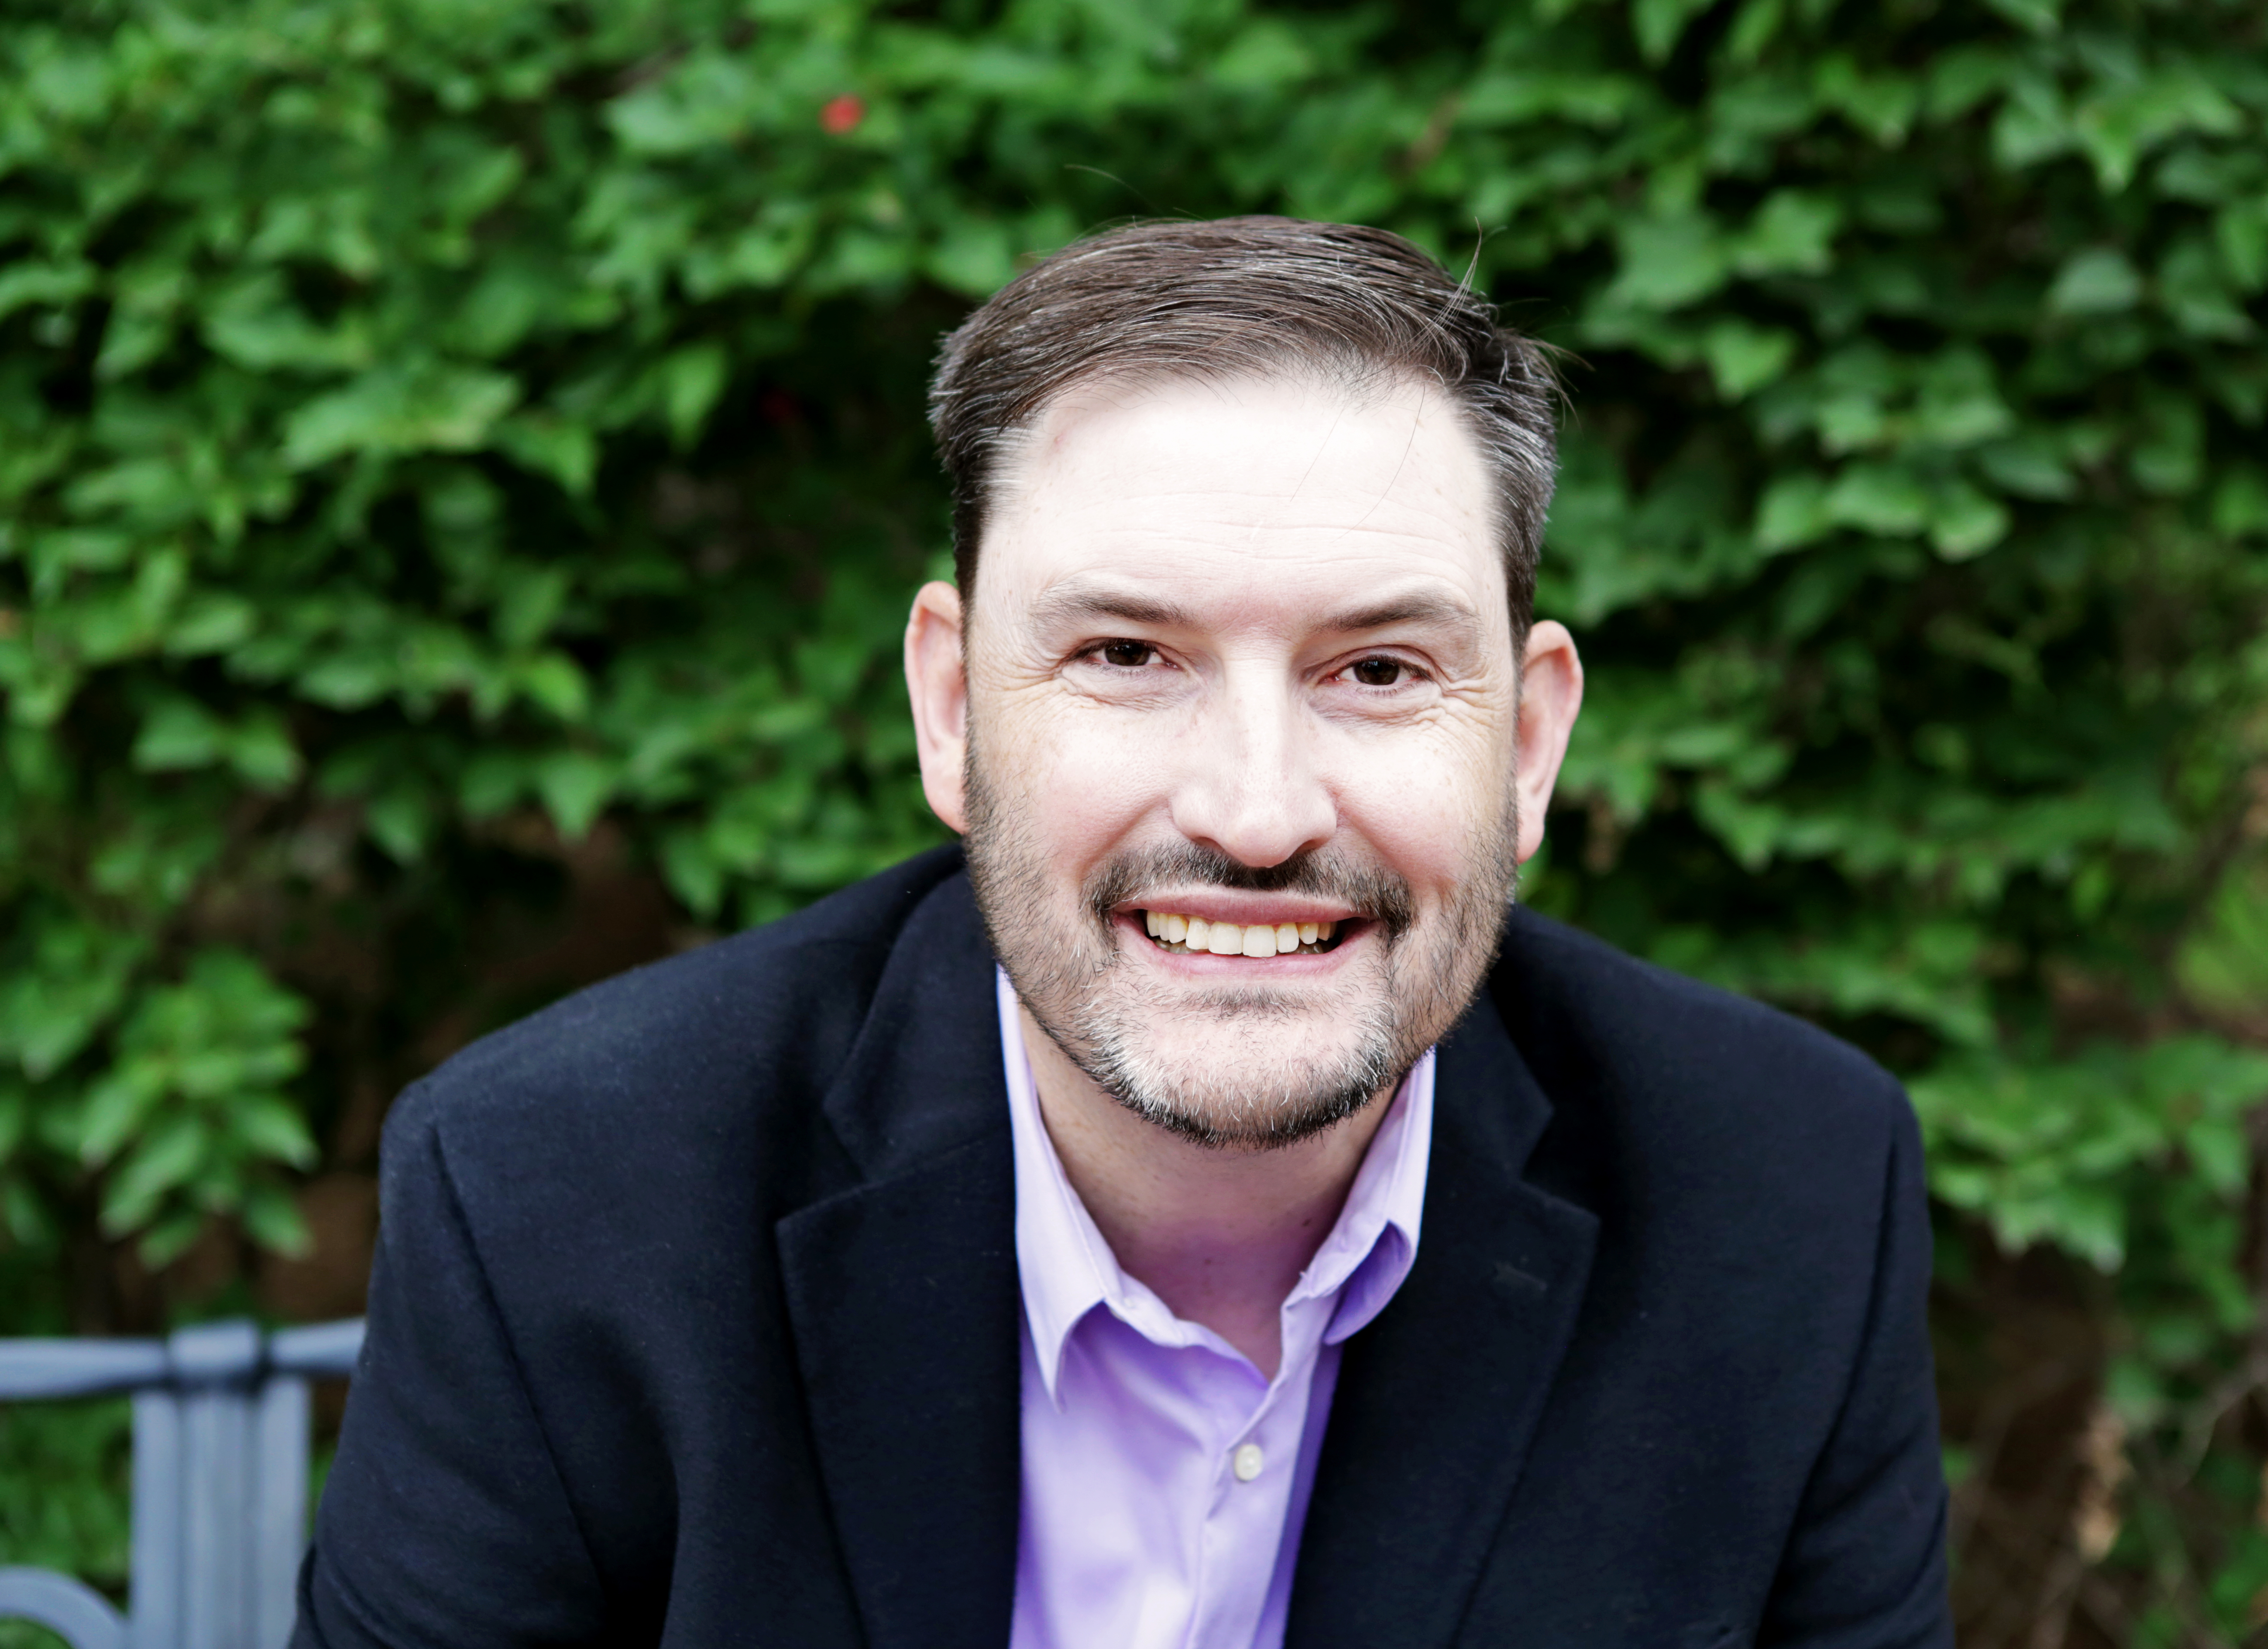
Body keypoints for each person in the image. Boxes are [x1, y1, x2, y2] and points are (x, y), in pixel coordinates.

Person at [295, 217, 1950, 1649]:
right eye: (1124, 656)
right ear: (952, 714)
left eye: (1377, 670)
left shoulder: (1789, 1194)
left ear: (1526, 746)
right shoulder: (559, 1199)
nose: (1252, 812)